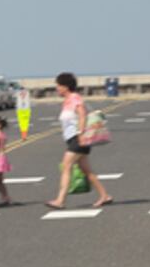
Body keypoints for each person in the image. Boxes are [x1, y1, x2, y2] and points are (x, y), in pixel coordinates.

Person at [47, 73, 113, 209]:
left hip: (78, 139)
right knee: (87, 171)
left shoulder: (75, 98)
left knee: (66, 166)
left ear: (66, 86)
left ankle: (60, 200)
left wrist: (80, 134)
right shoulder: (67, 101)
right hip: (73, 139)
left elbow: (82, 115)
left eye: (59, 86)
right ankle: (105, 196)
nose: (57, 88)